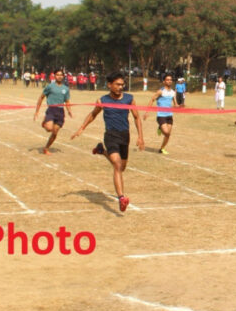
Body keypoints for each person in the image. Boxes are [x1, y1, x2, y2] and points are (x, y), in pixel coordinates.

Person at [71, 72, 144, 213]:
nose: (120, 87)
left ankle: (101, 150)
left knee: (121, 168)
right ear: (110, 85)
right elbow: (93, 114)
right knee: (117, 165)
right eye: (117, 84)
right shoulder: (103, 100)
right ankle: (122, 198)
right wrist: (81, 128)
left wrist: (140, 137)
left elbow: (136, 118)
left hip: (125, 136)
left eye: (122, 84)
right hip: (110, 136)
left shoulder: (129, 99)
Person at [34, 69, 73, 155]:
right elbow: (41, 97)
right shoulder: (50, 86)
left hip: (60, 111)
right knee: (49, 129)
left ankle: (46, 148)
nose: (59, 76)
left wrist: (69, 110)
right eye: (57, 75)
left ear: (63, 76)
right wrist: (37, 111)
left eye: (61, 75)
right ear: (54, 76)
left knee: (55, 132)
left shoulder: (65, 89)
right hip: (51, 110)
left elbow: (67, 101)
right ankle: (45, 122)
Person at [144, 74, 180, 154]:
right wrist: (147, 112)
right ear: (164, 81)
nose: (169, 81)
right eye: (167, 79)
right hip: (161, 115)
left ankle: (162, 148)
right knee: (166, 132)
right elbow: (152, 100)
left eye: (170, 79)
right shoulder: (160, 91)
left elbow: (175, 104)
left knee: (168, 134)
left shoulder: (173, 92)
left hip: (169, 115)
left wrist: (178, 106)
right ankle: (160, 127)